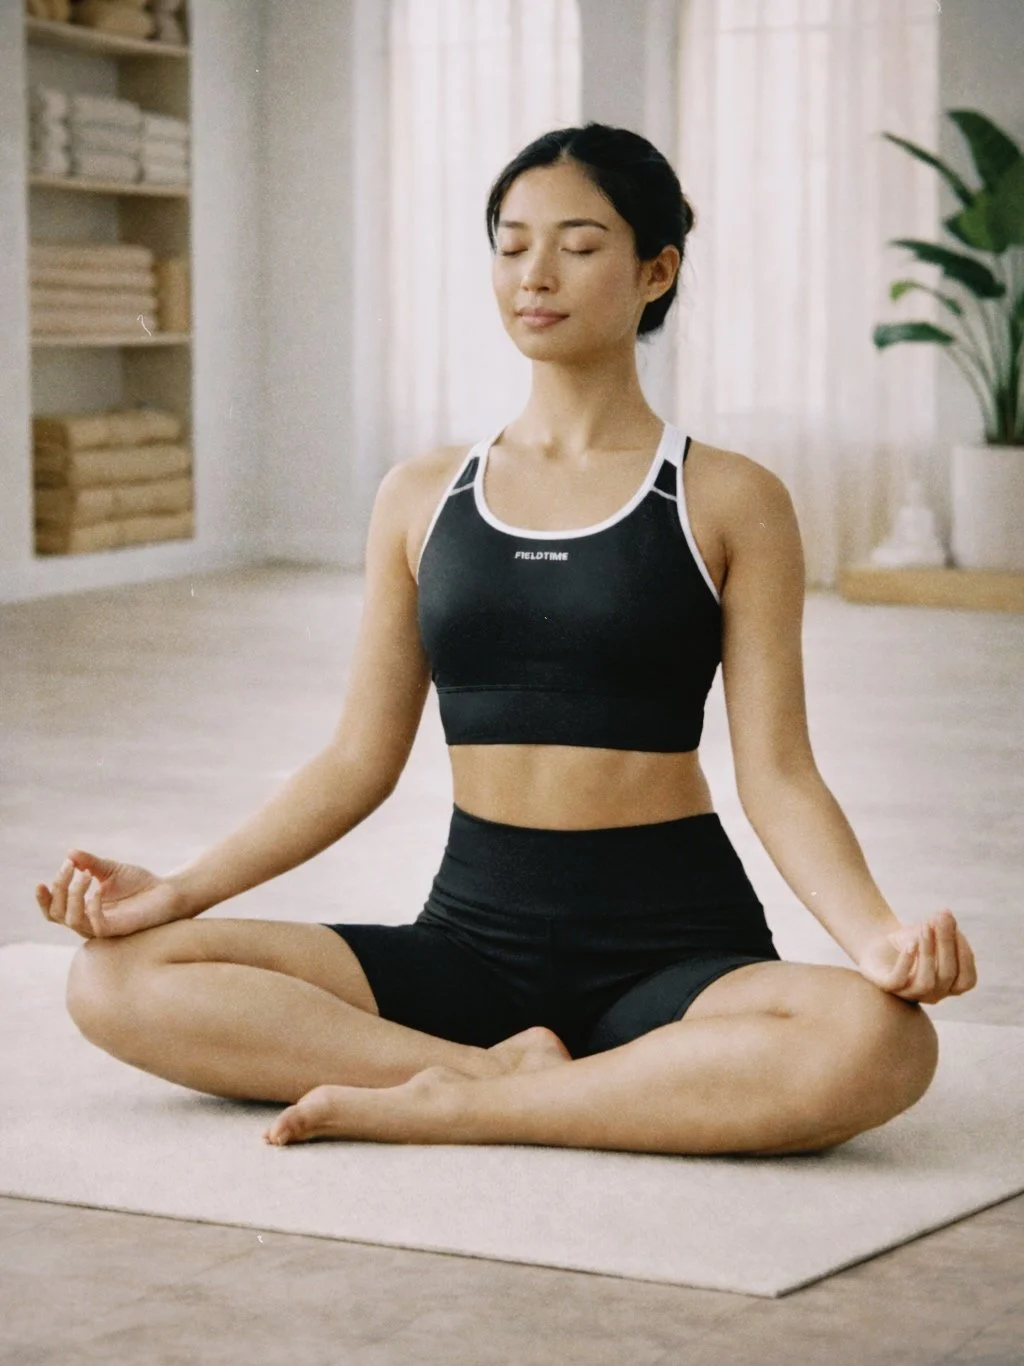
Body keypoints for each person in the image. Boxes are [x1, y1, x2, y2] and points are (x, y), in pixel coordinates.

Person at [37, 123, 977, 1157]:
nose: (535, 273)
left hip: (669, 948)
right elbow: (357, 760)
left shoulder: (730, 497)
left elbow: (780, 775)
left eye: (577, 246)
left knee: (878, 1042)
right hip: (469, 942)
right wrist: (175, 890)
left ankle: (459, 1104)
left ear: (654, 271)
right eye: (510, 243)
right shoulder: (420, 496)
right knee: (115, 976)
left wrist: (877, 938)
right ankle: (506, 1075)